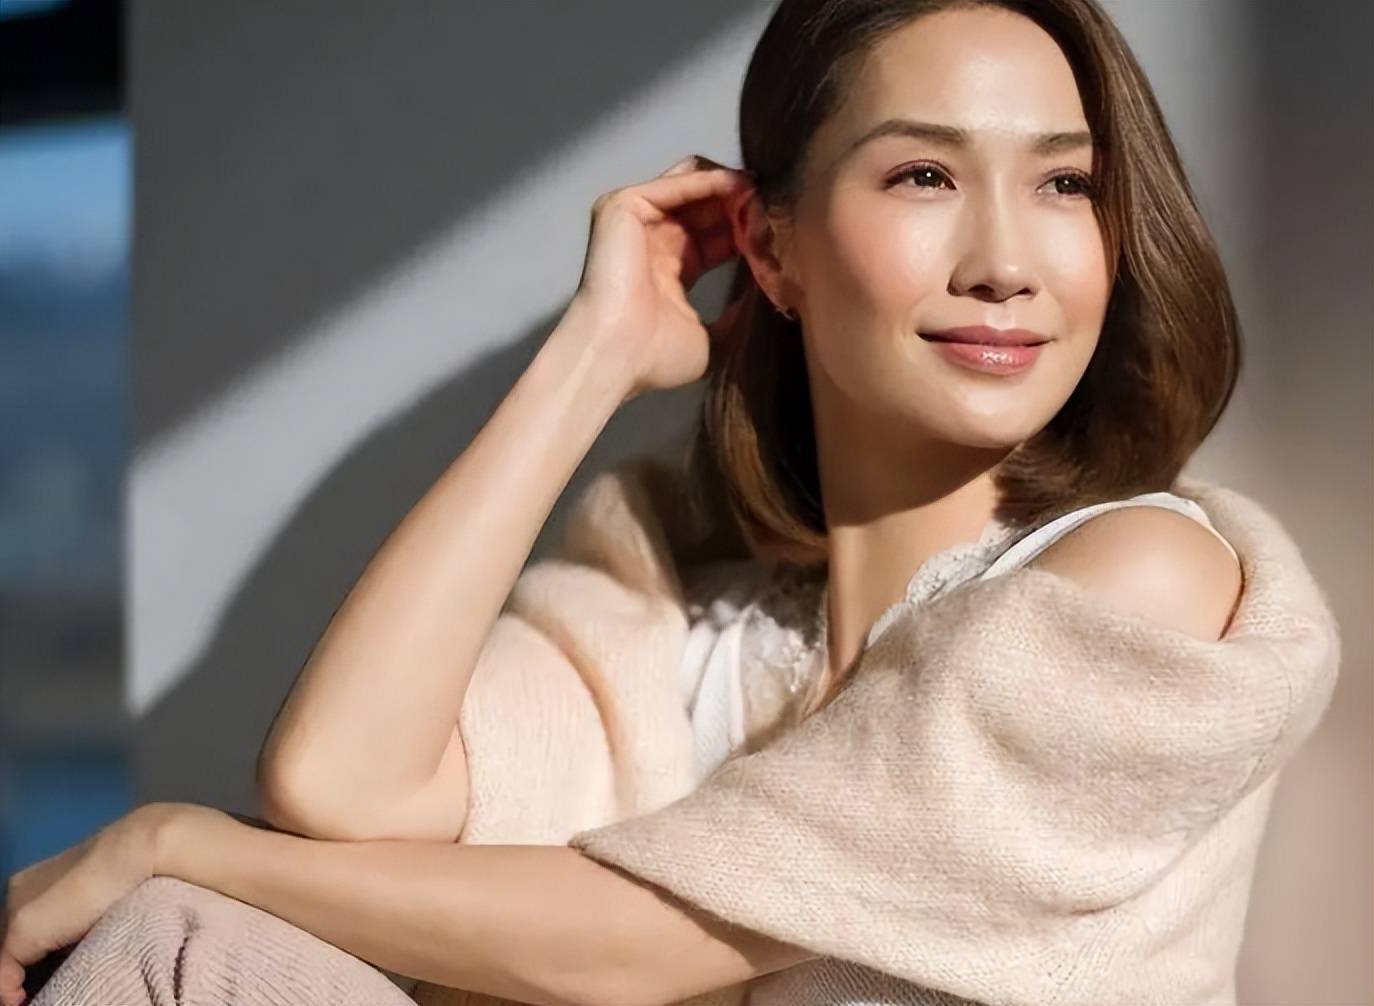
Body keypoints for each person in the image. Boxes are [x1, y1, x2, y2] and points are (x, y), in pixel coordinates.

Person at [0, 1, 1341, 1004]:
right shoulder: (685, 631)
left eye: (1065, 183)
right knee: (186, 942)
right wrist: (590, 357)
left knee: (185, 897)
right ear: (771, 246)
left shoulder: (1143, 586)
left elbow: (648, 938)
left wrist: (176, 840)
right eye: (923, 174)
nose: (1005, 261)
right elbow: (339, 784)